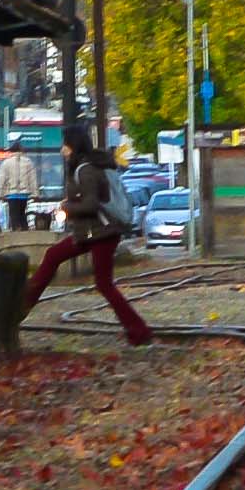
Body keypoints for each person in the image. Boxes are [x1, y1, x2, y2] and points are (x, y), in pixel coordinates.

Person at [45, 131, 151, 342]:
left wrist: (66, 207)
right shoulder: (88, 166)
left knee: (104, 284)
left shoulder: (86, 170)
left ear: (73, 146)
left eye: (65, 145)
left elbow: (91, 204)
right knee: (53, 256)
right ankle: (138, 330)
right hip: (91, 232)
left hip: (100, 232)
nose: (62, 150)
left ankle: (139, 330)